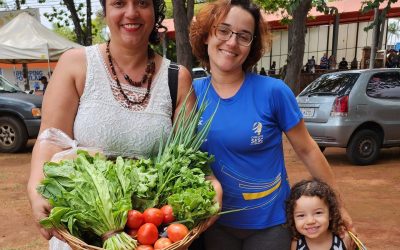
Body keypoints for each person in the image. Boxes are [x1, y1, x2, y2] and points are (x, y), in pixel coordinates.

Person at [27, 0, 222, 249]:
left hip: (148, 235)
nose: (131, 13)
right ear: (106, 10)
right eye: (119, 3)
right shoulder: (75, 64)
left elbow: (189, 157)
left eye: (142, 3)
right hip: (85, 229)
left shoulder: (177, 78)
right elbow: (51, 138)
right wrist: (35, 189)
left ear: (154, 11)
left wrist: (211, 184)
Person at [189, 0, 354, 249]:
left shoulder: (273, 92)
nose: (232, 42)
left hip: (270, 226)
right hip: (213, 225)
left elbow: (308, 149)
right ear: (206, 35)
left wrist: (338, 207)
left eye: (244, 36)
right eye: (223, 30)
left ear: (251, 46)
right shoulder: (189, 94)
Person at [286, 179, 349, 250]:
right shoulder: (296, 244)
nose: (310, 221)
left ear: (331, 213)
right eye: (301, 215)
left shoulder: (344, 239)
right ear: (293, 218)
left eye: (318, 213)